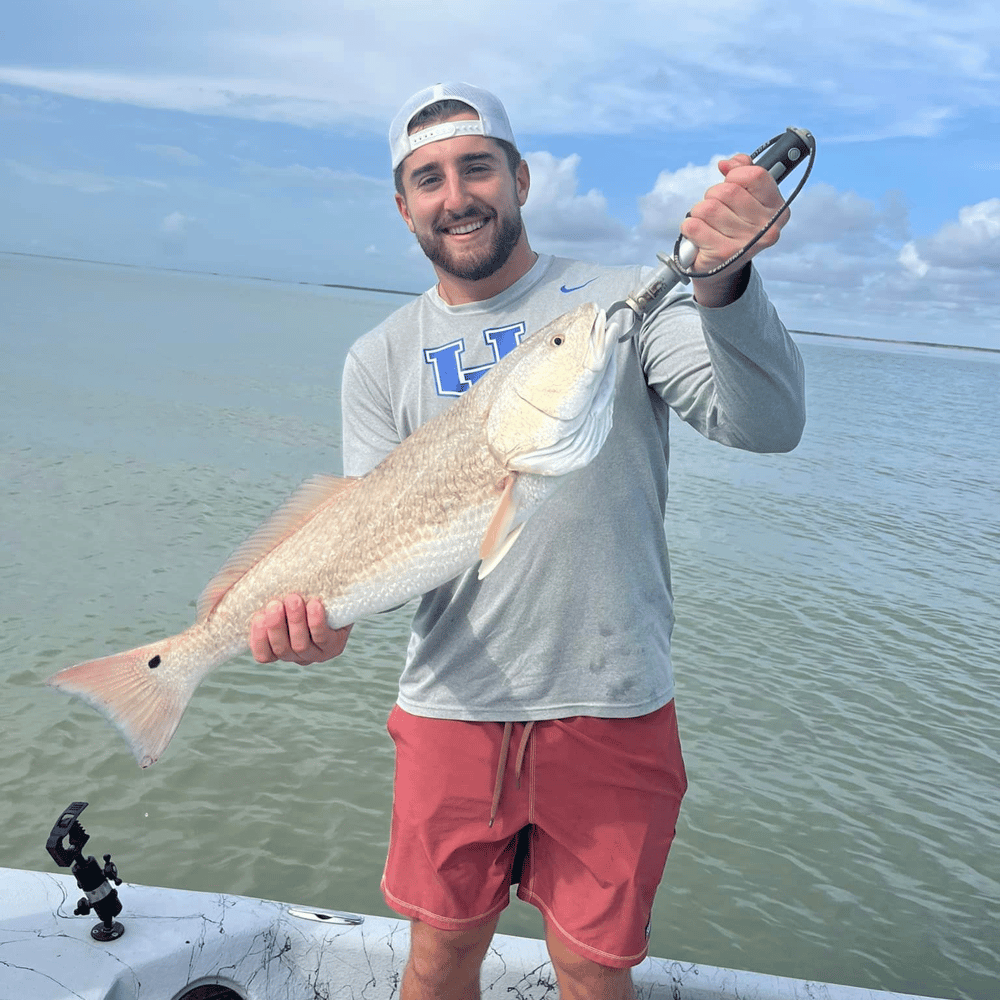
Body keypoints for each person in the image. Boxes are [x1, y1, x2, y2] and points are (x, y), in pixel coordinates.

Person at [249, 82, 806, 1000]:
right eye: (428, 178)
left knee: (593, 970)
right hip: (449, 709)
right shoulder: (378, 357)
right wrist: (324, 623)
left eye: (477, 167)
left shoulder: (620, 304)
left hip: (613, 700)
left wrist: (725, 281)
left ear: (521, 178)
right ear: (403, 206)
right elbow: (368, 544)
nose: (456, 194)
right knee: (437, 958)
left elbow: (768, 423)